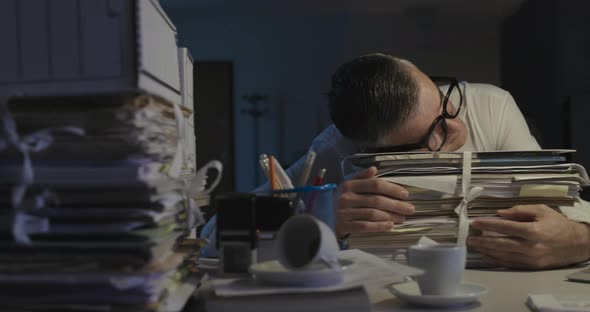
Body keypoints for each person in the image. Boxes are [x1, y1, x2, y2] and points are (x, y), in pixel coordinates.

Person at [201, 53, 590, 269]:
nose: (457, 127)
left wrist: (579, 240)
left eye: (445, 100)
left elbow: (566, 208)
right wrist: (321, 214)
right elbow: (211, 238)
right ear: (372, 151)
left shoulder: (491, 106)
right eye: (433, 131)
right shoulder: (337, 146)